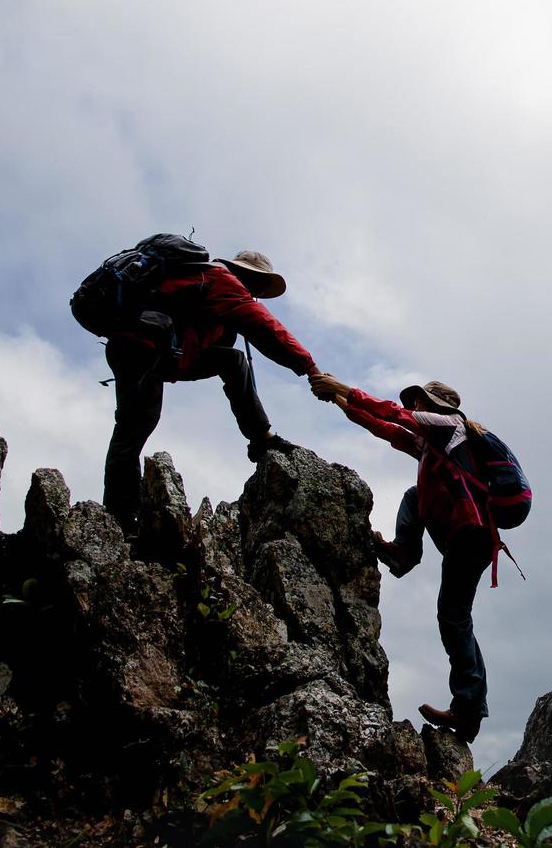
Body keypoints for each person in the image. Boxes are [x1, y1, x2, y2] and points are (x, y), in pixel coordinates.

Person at [308, 373, 493, 743]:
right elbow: (385, 428)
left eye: (420, 402)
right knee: (456, 616)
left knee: (454, 617)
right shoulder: (432, 445)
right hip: (463, 538)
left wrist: (342, 387)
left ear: (438, 406)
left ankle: (468, 707)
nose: (414, 407)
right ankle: (404, 553)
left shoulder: (450, 425)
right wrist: (341, 403)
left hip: (471, 535)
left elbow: (393, 414)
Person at [102, 249, 319, 524]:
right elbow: (266, 328)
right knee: (134, 429)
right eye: (259, 283)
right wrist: (309, 366)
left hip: (143, 350)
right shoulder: (223, 280)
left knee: (132, 429)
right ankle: (120, 517)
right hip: (145, 350)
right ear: (248, 274)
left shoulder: (202, 279)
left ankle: (119, 513)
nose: (257, 292)